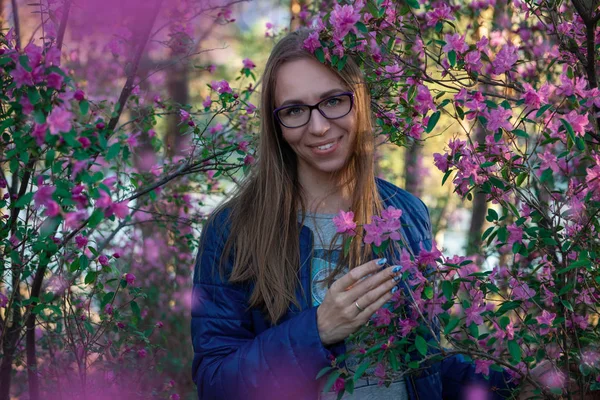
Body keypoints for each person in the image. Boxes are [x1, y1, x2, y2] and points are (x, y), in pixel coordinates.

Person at [191, 28, 512, 400]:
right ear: (276, 124)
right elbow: (215, 383)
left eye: (332, 101)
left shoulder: (405, 213)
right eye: (294, 110)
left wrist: (518, 386)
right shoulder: (234, 228)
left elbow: (424, 365)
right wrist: (318, 330)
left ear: (358, 100)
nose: (318, 126)